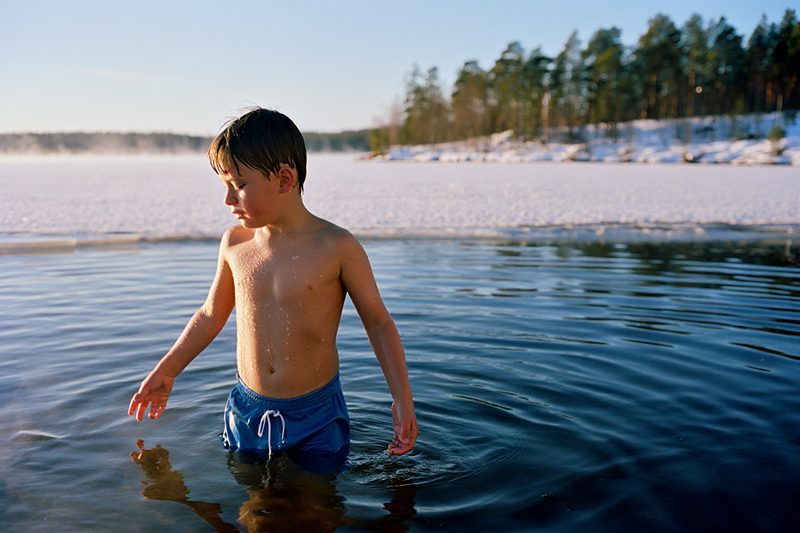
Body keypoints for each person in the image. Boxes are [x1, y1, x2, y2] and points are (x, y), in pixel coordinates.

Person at [128, 108, 417, 472]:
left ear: (284, 179)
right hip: (247, 410)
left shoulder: (336, 246)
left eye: (239, 185)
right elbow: (211, 314)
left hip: (317, 415)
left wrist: (401, 398)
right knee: (253, 500)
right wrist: (167, 370)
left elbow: (378, 323)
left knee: (317, 500)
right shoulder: (235, 244)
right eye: (225, 186)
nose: (228, 199)